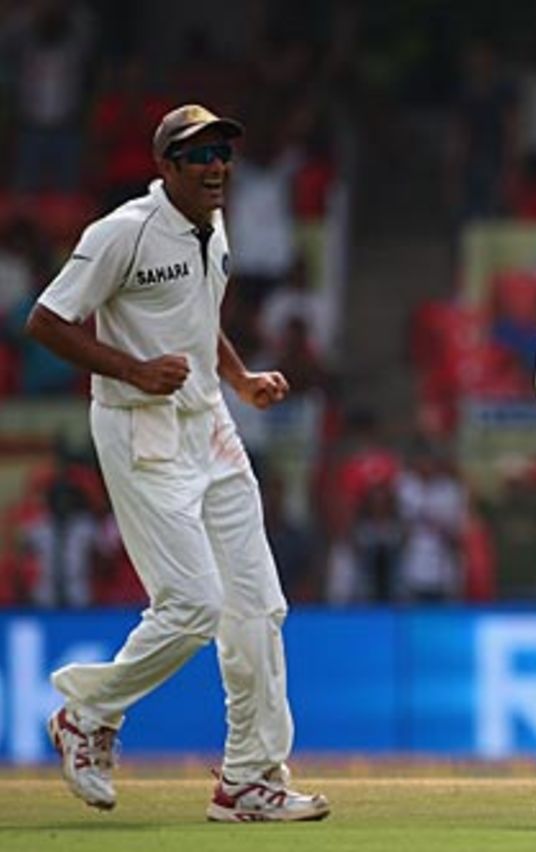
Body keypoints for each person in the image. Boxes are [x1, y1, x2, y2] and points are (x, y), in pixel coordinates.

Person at [25, 104, 330, 822]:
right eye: (199, 156)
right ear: (166, 168)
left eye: (223, 152)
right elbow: (45, 320)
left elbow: (197, 318)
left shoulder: (213, 225)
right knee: (194, 606)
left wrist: (240, 377)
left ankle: (250, 779)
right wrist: (132, 370)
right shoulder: (122, 232)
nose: (216, 166)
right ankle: (86, 713)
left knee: (258, 608)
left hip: (210, 425)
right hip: (142, 428)